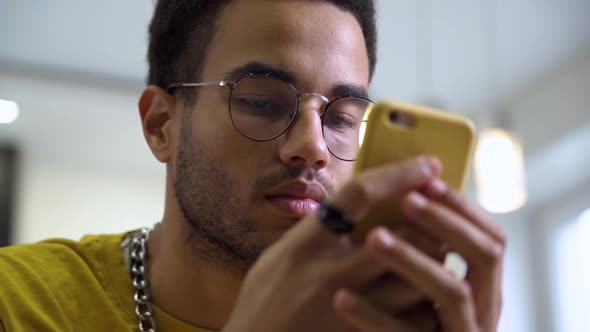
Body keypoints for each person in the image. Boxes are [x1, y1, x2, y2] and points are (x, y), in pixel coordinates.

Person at [0, 0, 506, 331]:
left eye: (342, 118)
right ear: (161, 125)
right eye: (262, 102)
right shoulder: (21, 303)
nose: (313, 147)